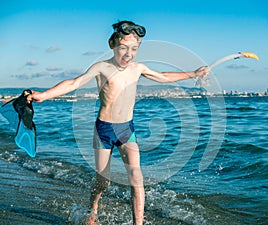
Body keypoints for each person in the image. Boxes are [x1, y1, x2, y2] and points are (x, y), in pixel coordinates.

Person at [28, 20, 210, 225]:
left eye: (134, 49)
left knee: (136, 178)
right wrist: (44, 95)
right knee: (102, 182)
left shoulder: (137, 68)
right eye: (123, 48)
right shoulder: (102, 67)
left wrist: (193, 74)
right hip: (103, 130)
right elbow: (74, 83)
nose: (128, 54)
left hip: (126, 129)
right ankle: (93, 209)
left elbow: (164, 77)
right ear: (112, 44)